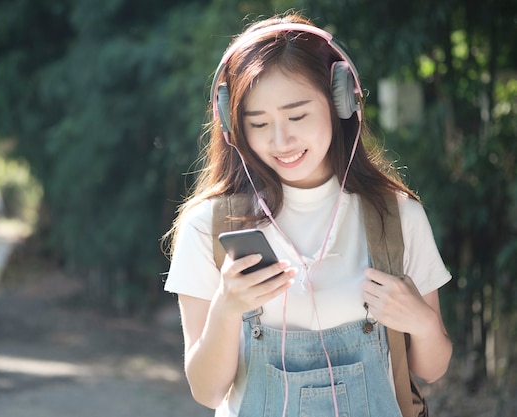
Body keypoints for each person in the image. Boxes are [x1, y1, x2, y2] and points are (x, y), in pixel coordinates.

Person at [163, 12, 452, 417]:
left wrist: (420, 322)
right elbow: (208, 392)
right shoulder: (207, 228)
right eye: (258, 123)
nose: (281, 141)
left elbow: (433, 368)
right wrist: (227, 307)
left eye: (297, 116)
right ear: (232, 125)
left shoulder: (396, 216)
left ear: (341, 101)